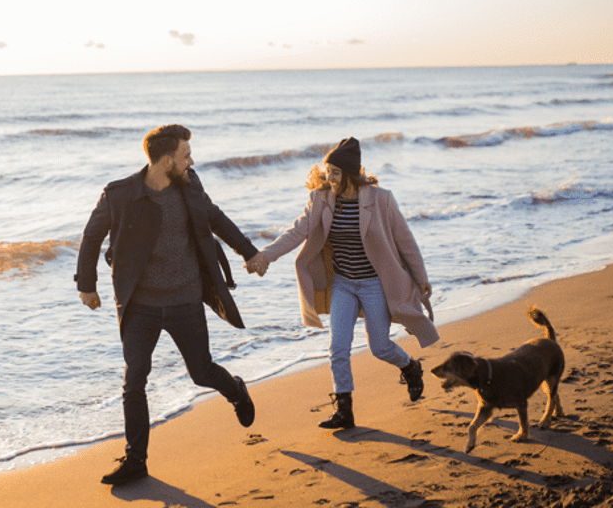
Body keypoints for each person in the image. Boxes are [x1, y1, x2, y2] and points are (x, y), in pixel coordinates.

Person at [76, 124, 259, 485]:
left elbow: (216, 218)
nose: (191, 161)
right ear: (165, 160)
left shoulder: (190, 186)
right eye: (185, 155)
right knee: (134, 380)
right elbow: (91, 236)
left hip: (185, 300)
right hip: (140, 305)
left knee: (201, 372)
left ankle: (236, 391)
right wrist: (87, 285)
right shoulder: (119, 194)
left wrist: (250, 253)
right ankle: (136, 460)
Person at [245, 137, 438, 429]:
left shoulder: (380, 199)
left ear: (350, 173)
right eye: (327, 171)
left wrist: (421, 277)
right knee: (338, 347)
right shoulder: (321, 198)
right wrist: (264, 256)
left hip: (374, 284)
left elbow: (405, 240)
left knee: (380, 347)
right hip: (343, 283)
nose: (330, 178)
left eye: (335, 173)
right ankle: (344, 410)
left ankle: (410, 367)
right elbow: (296, 232)